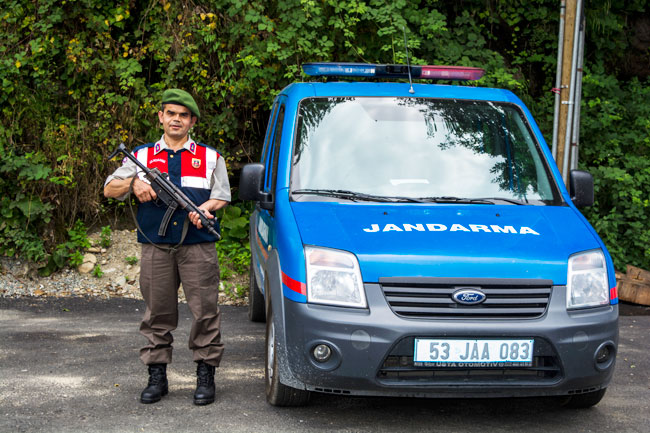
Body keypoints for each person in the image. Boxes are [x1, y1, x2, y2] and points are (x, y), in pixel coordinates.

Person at [104, 89, 231, 405]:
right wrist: (134, 183)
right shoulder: (142, 156)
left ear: (192, 121)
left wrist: (205, 209)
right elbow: (109, 188)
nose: (176, 119)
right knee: (157, 313)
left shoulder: (211, 157)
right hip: (156, 246)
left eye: (183, 115)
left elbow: (222, 195)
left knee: (205, 312)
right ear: (161, 117)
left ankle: (205, 376)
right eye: (171, 113)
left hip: (198, 245)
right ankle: (156, 377)